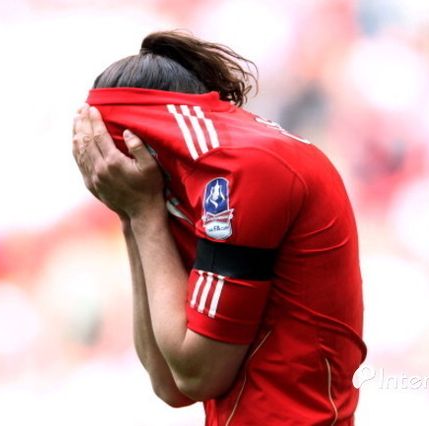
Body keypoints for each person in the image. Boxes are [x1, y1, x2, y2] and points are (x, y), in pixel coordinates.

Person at [72, 31, 366, 425]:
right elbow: (169, 384)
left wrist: (142, 214)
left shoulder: (243, 169)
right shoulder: (197, 178)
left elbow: (199, 374)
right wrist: (130, 215)